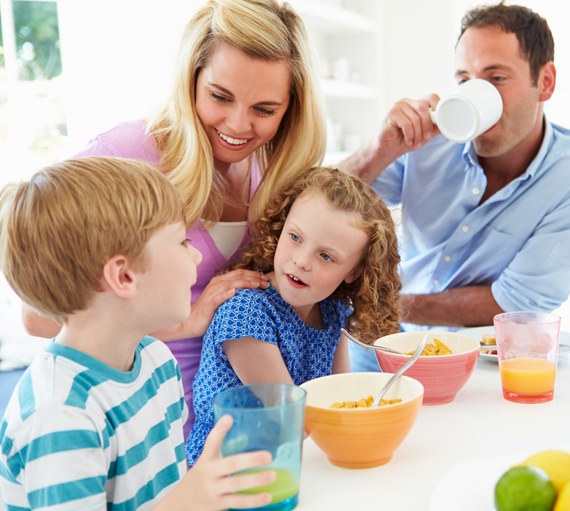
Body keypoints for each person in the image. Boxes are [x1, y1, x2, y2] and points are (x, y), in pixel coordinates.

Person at [20, 0, 326, 436]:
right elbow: (37, 314)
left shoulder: (269, 173)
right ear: (191, 80)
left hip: (246, 432)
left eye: (264, 110)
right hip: (148, 435)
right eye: (220, 97)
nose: (238, 126)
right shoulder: (126, 156)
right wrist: (187, 322)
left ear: (291, 110)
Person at [338, 3, 570, 370]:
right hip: (378, 344)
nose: (477, 93)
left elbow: (514, 303)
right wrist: (380, 149)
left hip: (481, 362)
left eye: (496, 78)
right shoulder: (429, 141)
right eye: (465, 80)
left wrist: (382, 303)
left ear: (545, 82)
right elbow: (322, 204)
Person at [0, 156, 277, 510]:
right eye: (181, 241)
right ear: (124, 276)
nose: (195, 257)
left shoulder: (157, 362)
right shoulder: (59, 416)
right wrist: (189, 499)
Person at [185, 167, 401, 464]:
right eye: (296, 237)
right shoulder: (245, 314)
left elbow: (341, 397)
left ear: (354, 272)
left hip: (294, 460)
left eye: (325, 256)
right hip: (225, 474)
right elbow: (293, 420)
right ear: (283, 226)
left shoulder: (332, 311)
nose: (301, 261)